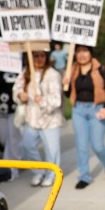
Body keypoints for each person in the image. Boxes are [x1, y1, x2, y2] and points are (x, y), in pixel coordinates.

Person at [62, 45, 105, 189]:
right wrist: (65, 85)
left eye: (85, 51)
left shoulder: (100, 69)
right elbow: (68, 94)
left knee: (97, 145)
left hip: (97, 109)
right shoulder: (72, 69)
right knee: (81, 145)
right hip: (78, 110)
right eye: (78, 51)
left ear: (90, 53)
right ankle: (84, 175)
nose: (82, 55)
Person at [12, 50, 64, 187]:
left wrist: (42, 100)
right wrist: (19, 95)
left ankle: (51, 175)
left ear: (46, 57)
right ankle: (39, 171)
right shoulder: (25, 73)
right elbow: (16, 89)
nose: (39, 59)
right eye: (35, 56)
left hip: (50, 120)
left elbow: (56, 100)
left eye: (42, 55)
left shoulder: (53, 74)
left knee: (52, 150)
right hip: (32, 119)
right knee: (27, 145)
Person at [0, 70, 23, 179]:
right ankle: (17, 158)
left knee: (13, 140)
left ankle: (12, 169)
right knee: (4, 139)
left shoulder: (19, 67)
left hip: (15, 110)